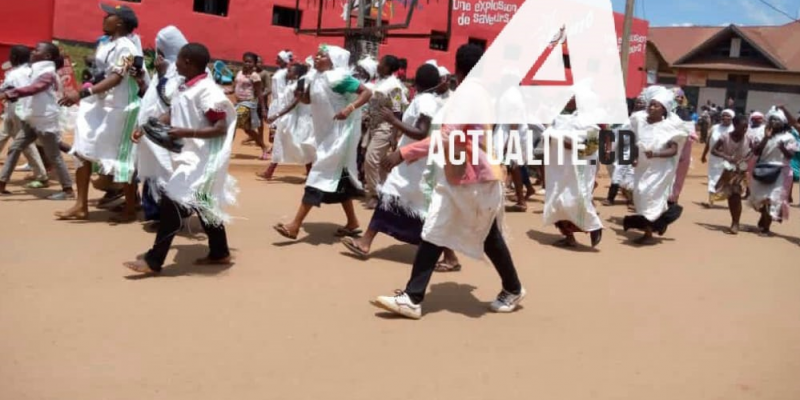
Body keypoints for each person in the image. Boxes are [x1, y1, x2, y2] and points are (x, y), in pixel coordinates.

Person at [373, 44, 525, 320]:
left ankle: (512, 288)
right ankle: (413, 297)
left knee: (476, 235)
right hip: (467, 177)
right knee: (438, 230)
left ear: (458, 69)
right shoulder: (480, 93)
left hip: (473, 178)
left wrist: (404, 152)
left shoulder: (468, 93)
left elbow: (447, 137)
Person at [125, 43, 236, 274]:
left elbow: (220, 127)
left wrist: (187, 132)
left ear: (188, 62)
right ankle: (220, 252)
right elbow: (175, 112)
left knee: (171, 204)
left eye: (178, 59)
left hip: (201, 159)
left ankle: (154, 260)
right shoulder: (185, 86)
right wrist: (147, 127)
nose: (174, 63)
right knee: (204, 204)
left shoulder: (207, 91)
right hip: (188, 155)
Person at [339, 63, 462, 271]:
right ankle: (449, 256)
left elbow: (421, 131)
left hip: (414, 163)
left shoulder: (424, 101)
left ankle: (365, 242)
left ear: (416, 82)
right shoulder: (433, 101)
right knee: (418, 208)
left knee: (393, 196)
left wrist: (393, 121)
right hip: (417, 162)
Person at [272, 44, 372, 240]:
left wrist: (349, 108)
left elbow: (367, 93)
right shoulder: (315, 77)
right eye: (316, 55)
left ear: (333, 61)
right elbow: (312, 101)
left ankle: (294, 225)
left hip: (340, 136)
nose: (316, 58)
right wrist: (302, 97)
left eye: (322, 56)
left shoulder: (340, 78)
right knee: (339, 179)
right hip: (326, 135)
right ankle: (352, 222)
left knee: (318, 175)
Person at [57, 3, 145, 221]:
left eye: (109, 15)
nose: (104, 18)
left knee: (122, 157)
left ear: (120, 22)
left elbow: (116, 77)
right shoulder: (107, 44)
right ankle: (80, 205)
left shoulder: (128, 48)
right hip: (99, 103)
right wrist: (86, 90)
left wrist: (82, 94)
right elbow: (101, 74)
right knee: (81, 149)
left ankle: (131, 208)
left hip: (121, 107)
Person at [0, 42, 74, 199]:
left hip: (44, 119)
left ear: (47, 56)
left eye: (37, 50)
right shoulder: (33, 70)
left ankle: (68, 190)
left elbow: (35, 88)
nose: (33, 51)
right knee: (15, 148)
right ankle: (2, 183)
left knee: (54, 155)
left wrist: (10, 94)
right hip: (32, 117)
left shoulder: (47, 73)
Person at [622, 86, 690, 244]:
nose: (651, 107)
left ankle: (648, 233)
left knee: (649, 198)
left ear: (663, 110)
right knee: (639, 195)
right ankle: (660, 222)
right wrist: (632, 157)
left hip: (659, 171)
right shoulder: (639, 121)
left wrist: (656, 154)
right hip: (642, 168)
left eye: (656, 105)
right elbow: (632, 139)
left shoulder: (670, 127)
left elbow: (673, 150)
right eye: (650, 104)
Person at [135, 26, 188, 223]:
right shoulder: (166, 67)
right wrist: (142, 84)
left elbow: (170, 100)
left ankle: (175, 214)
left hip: (170, 132)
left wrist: (163, 74)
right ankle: (158, 213)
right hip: (154, 132)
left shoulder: (182, 69)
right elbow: (153, 98)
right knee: (154, 171)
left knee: (169, 172)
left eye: (161, 49)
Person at [542, 97, 603, 248]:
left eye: (573, 96)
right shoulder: (561, 118)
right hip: (559, 170)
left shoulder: (591, 124)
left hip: (578, 172)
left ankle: (594, 226)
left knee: (575, 201)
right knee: (557, 202)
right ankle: (569, 237)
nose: (568, 99)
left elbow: (591, 148)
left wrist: (565, 142)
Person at [362, 55, 407, 209]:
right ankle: (387, 193)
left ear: (387, 67)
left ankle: (374, 194)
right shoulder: (380, 82)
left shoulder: (394, 86)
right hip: (373, 127)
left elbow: (398, 111)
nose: (378, 65)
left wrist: (394, 135)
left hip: (385, 128)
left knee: (371, 159)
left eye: (381, 63)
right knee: (381, 164)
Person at [0, 45, 49, 188]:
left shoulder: (14, 74)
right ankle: (41, 174)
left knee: (25, 143)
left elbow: (6, 90)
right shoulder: (32, 71)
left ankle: (41, 175)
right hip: (22, 109)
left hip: (17, 109)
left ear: (14, 58)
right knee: (3, 135)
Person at [257, 63, 315, 180]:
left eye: (290, 71)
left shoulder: (301, 84)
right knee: (280, 142)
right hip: (289, 117)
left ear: (297, 73)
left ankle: (310, 174)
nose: (288, 73)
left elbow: (293, 103)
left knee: (301, 145)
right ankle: (270, 171)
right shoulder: (294, 83)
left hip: (299, 119)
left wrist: (276, 115)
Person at [749, 107, 798, 236]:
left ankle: (766, 227)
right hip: (762, 170)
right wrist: (766, 138)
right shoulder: (761, 134)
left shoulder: (788, 137)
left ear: (783, 123)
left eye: (777, 120)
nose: (774, 122)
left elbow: (790, 156)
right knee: (759, 199)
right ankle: (763, 218)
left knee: (772, 200)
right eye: (772, 120)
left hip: (781, 172)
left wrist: (782, 148)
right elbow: (756, 152)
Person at [710, 115, 753, 234]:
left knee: (736, 195)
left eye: (746, 127)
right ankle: (735, 221)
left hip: (741, 171)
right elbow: (713, 150)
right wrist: (726, 157)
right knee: (732, 196)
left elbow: (753, 150)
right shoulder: (725, 137)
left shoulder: (749, 138)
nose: (744, 130)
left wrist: (745, 159)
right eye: (742, 127)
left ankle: (735, 223)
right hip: (728, 170)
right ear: (735, 126)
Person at [604, 95, 645, 206]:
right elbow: (608, 134)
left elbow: (638, 138)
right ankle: (629, 194)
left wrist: (635, 155)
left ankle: (610, 198)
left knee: (619, 170)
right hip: (613, 148)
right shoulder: (613, 120)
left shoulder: (635, 120)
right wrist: (608, 150)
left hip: (629, 148)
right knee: (613, 169)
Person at [228, 52, 269, 160]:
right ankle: (264, 147)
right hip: (238, 103)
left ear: (254, 64)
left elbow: (259, 93)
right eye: (245, 61)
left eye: (250, 62)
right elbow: (233, 88)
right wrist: (225, 91)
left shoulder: (255, 76)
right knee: (248, 130)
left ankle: (226, 149)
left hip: (248, 104)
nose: (247, 64)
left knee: (233, 122)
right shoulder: (239, 73)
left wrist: (263, 109)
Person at [701, 109, 735, 207]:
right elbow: (709, 143)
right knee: (712, 177)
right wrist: (704, 155)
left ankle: (730, 201)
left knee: (727, 179)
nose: (725, 117)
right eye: (723, 115)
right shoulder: (715, 128)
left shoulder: (734, 129)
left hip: (728, 159)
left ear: (732, 117)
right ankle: (710, 201)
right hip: (714, 158)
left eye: (728, 116)